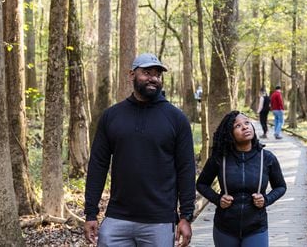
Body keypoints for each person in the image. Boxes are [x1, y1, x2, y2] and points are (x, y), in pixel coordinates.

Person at [84, 53, 196, 247]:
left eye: (157, 74)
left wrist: (186, 216)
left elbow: (186, 169)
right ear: (131, 75)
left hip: (160, 220)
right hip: (117, 217)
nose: (153, 78)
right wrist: (91, 212)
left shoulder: (176, 118)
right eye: (146, 72)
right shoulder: (112, 116)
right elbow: (98, 165)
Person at [196, 111, 287, 247]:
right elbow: (202, 184)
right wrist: (218, 199)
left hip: (256, 228)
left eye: (246, 122)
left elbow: (281, 186)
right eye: (237, 126)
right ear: (229, 134)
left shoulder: (267, 158)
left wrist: (266, 200)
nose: (245, 127)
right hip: (225, 228)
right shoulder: (220, 158)